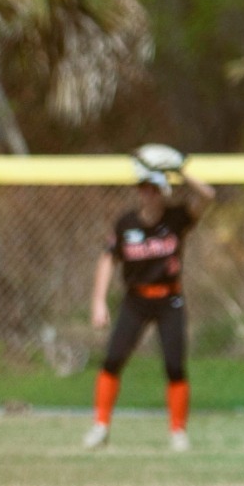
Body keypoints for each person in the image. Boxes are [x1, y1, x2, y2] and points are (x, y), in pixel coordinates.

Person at [84, 146, 214, 452]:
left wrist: (181, 168)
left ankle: (178, 431)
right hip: (136, 300)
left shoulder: (176, 219)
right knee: (113, 360)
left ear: (163, 191)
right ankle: (100, 426)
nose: (148, 194)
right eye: (143, 188)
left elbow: (208, 195)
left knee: (174, 365)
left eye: (154, 188)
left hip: (169, 300)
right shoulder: (126, 224)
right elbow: (107, 259)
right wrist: (98, 301)